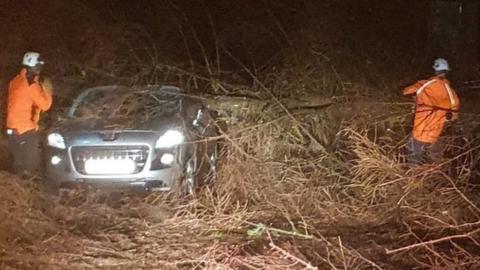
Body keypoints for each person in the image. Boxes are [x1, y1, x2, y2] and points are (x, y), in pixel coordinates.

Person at [402, 58, 460, 164]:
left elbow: (405, 92)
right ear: (446, 72)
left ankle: (411, 176)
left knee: (412, 157)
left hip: (420, 130)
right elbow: (454, 116)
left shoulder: (424, 84)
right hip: (436, 134)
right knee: (433, 162)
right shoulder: (452, 93)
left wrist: (417, 98)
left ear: (433, 70)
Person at [6, 52, 53, 177]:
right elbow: (45, 105)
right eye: (39, 65)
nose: (41, 68)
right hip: (24, 129)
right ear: (35, 66)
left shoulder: (16, 80)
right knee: (31, 166)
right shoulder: (31, 84)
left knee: (19, 165)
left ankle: (17, 192)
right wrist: (47, 90)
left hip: (12, 128)